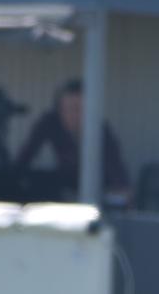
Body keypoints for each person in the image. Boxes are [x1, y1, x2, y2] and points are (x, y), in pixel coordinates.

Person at [14, 78, 131, 206]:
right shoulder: (50, 122)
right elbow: (26, 155)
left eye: (78, 109)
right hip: (63, 186)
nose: (72, 115)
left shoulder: (101, 130)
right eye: (67, 109)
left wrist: (121, 191)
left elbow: (116, 169)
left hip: (96, 190)